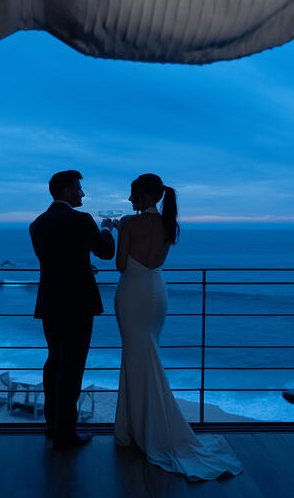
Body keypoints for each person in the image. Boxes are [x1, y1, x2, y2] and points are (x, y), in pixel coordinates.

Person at [110, 173, 243, 480]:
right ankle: (138, 427)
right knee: (146, 353)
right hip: (157, 291)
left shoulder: (129, 223)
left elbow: (119, 265)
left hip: (132, 291)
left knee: (136, 356)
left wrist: (120, 231)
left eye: (132, 195)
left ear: (143, 196)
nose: (129, 201)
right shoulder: (169, 223)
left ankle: (142, 430)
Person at [29, 170, 116, 450]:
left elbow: (56, 260)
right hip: (77, 303)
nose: (82, 194)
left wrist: (81, 264)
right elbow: (105, 252)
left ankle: (51, 425)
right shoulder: (81, 220)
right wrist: (107, 230)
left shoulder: (37, 224)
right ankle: (67, 432)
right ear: (66, 191)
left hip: (50, 301)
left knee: (54, 362)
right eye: (79, 189)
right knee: (73, 367)